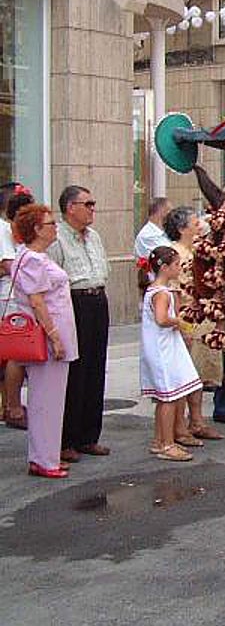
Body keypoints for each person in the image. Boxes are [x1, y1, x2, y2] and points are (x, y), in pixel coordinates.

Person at [10, 204, 77, 478]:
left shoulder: (34, 257)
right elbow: (37, 301)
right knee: (46, 399)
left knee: (51, 398)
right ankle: (43, 458)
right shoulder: (32, 259)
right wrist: (54, 337)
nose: (55, 228)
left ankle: (46, 454)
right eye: (50, 224)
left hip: (57, 329)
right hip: (49, 333)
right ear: (37, 229)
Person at [46, 185, 110, 462]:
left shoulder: (93, 236)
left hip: (97, 298)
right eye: (88, 204)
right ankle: (66, 438)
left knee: (95, 367)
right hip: (74, 301)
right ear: (71, 207)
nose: (93, 209)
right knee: (75, 371)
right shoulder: (57, 237)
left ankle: (88, 435)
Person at [164, 206, 223, 439]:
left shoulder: (198, 249)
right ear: (181, 228)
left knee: (197, 375)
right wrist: (181, 325)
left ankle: (196, 421)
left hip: (202, 321)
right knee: (182, 376)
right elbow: (172, 293)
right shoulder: (173, 252)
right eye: (194, 222)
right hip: (185, 320)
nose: (199, 225)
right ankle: (178, 427)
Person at [140, 246, 201, 462]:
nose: (179, 268)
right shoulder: (162, 293)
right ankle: (167, 444)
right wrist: (180, 322)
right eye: (176, 265)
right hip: (162, 349)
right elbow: (161, 319)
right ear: (164, 267)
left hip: (160, 347)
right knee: (168, 396)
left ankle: (160, 440)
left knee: (164, 396)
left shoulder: (154, 290)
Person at [0, 184, 32, 428]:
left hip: (20, 296)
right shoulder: (3, 232)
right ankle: (12, 406)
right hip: (10, 299)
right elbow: (10, 265)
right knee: (15, 353)